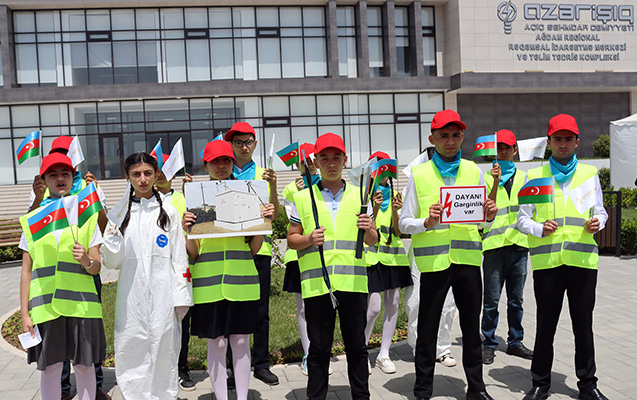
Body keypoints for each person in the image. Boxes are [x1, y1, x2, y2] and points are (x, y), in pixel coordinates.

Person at [398, 109, 497, 400]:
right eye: (444, 136)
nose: (450, 141)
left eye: (456, 135)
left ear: (462, 137)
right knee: (428, 329)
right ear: (432, 139)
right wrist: (425, 223)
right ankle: (422, 390)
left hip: (467, 262)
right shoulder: (419, 174)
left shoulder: (473, 170)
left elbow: (482, 222)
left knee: (471, 330)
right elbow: (404, 223)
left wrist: (490, 215)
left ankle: (476, 389)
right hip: (434, 264)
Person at [518, 114, 608, 400]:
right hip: (548, 264)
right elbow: (522, 220)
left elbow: (601, 211)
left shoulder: (589, 174)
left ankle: (588, 386)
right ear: (549, 142)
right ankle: (540, 384)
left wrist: (599, 223)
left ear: (577, 141)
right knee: (545, 327)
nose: (563, 144)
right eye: (558, 139)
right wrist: (538, 228)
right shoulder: (535, 176)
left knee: (583, 327)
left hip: (582, 262)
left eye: (569, 139)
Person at [287, 133, 377, 400]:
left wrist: (369, 228)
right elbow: (291, 239)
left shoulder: (361, 195)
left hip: (353, 283)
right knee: (319, 349)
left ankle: (361, 396)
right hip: (318, 285)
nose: (331, 163)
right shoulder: (303, 197)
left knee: (357, 347)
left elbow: (373, 240)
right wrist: (308, 239)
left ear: (345, 160)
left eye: (336, 157)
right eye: (324, 158)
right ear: (315, 162)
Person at [183, 139, 274, 400]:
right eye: (215, 162)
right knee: (217, 342)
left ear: (233, 163)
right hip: (208, 285)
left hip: (242, 282)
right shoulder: (195, 199)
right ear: (206, 166)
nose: (221, 166)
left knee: (241, 341)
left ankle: (242, 397)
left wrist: (263, 223)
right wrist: (186, 230)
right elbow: (193, 253)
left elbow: (254, 249)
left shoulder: (248, 194)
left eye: (226, 161)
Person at [101, 152, 193, 400]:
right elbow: (112, 263)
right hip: (131, 295)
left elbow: (179, 258)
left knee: (165, 347)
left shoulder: (169, 212)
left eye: (147, 173)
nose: (142, 179)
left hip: (164, 293)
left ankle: (164, 395)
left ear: (155, 175)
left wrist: (182, 296)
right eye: (136, 174)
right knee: (132, 345)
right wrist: (112, 240)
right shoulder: (120, 214)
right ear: (128, 177)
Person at [26, 135, 110, 400]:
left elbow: (97, 262)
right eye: (53, 174)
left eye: (65, 172)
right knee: (51, 367)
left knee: (85, 364)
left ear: (73, 176)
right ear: (44, 179)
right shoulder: (36, 215)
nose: (60, 178)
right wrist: (26, 312)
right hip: (47, 304)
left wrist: (86, 260)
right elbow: (26, 268)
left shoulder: (84, 210)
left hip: (82, 302)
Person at [225, 122, 281, 385]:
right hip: (230, 250)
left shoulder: (264, 173)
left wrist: (273, 187)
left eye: (248, 142)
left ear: (255, 144)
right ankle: (232, 367)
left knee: (260, 311)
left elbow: (275, 215)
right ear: (231, 145)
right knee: (231, 308)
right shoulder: (223, 170)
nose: (244, 147)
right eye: (238, 142)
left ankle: (260, 363)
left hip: (260, 250)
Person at [481, 129, 533, 365]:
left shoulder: (525, 178)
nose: (502, 151)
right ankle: (489, 342)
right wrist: (494, 181)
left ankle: (515, 342)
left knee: (516, 300)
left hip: (519, 246)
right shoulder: (485, 178)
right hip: (494, 246)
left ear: (515, 150)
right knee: (491, 300)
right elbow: (485, 209)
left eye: (507, 147)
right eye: (499, 148)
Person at [281, 142, 328, 376]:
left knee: (324, 305)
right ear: (298, 164)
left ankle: (322, 351)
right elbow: (293, 222)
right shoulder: (291, 189)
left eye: (311, 161)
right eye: (304, 162)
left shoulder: (326, 185)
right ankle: (309, 353)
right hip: (298, 254)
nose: (308, 165)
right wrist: (299, 193)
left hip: (325, 254)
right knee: (302, 308)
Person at [363, 151, 412, 374]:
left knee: (393, 305)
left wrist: (395, 211)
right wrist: (373, 207)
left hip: (393, 257)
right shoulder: (363, 195)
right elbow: (365, 226)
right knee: (373, 308)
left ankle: (384, 354)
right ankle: (361, 351)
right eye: (378, 168)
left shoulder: (395, 195)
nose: (382, 174)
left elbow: (398, 231)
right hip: (372, 258)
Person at [154, 154, 197, 392]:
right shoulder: (145, 200)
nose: (161, 175)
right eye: (157, 170)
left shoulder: (182, 198)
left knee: (182, 323)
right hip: (155, 271)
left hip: (179, 269)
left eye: (166, 169)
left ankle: (182, 369)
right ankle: (159, 372)